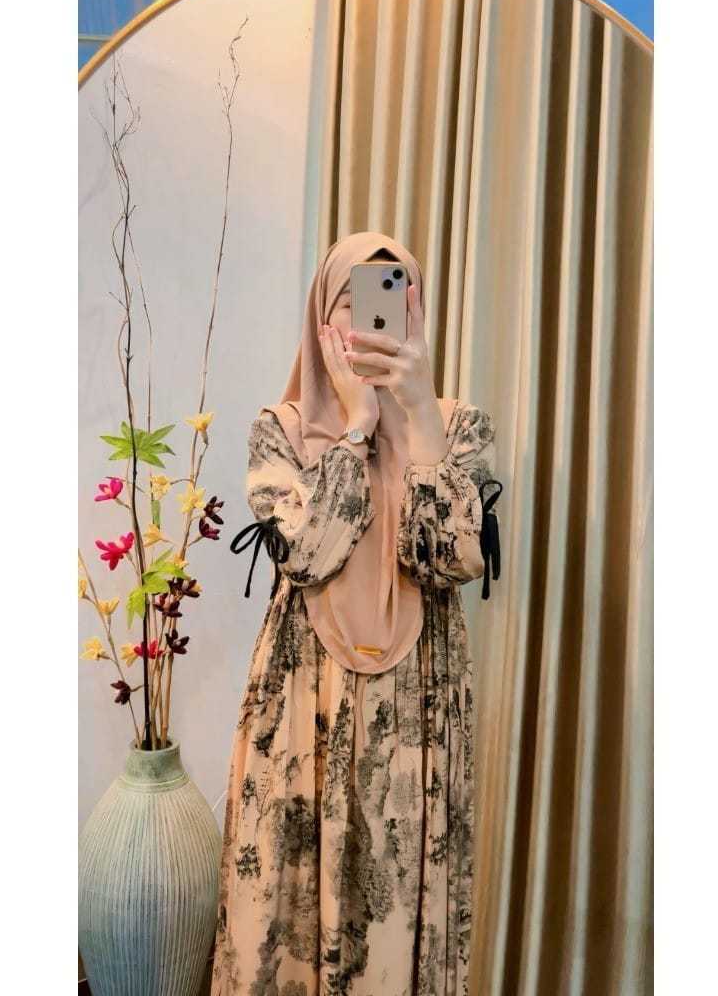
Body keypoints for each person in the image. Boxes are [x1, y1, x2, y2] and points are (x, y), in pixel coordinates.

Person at [213, 230, 501, 996]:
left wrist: (418, 414)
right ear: (322, 319)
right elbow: (307, 555)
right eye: (352, 299)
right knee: (289, 907)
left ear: (416, 312)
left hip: (418, 709)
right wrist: (355, 427)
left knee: (396, 908)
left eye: (393, 297)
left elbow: (453, 558)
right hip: (303, 703)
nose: (373, 318)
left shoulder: (459, 426)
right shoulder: (280, 429)